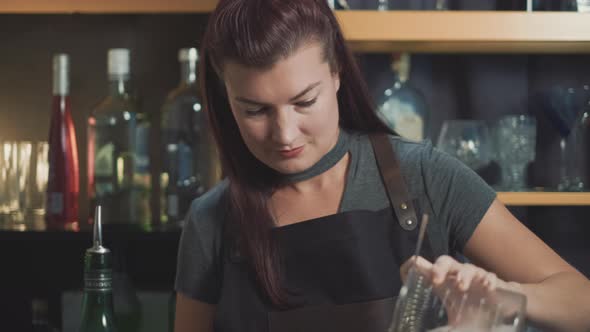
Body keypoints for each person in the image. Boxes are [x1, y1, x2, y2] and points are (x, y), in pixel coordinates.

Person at [174, 0, 590, 331]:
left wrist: (502, 295)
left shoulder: (423, 175)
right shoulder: (211, 219)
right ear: (225, 97)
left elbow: (580, 302)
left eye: (305, 102)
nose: (284, 133)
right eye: (255, 110)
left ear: (336, 73)